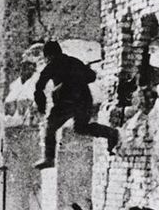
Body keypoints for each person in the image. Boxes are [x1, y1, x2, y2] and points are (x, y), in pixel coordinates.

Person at [33, 40, 118, 169]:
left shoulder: (51, 66)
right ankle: (110, 133)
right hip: (84, 100)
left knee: (50, 126)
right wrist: (82, 71)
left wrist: (41, 106)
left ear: (49, 56)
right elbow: (91, 77)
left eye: (47, 57)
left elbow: (39, 87)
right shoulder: (74, 61)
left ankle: (49, 158)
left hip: (67, 102)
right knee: (81, 128)